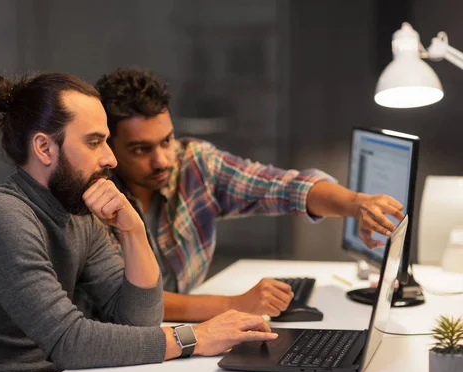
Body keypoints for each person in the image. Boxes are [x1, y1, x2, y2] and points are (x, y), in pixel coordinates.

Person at [0, 73, 279, 372]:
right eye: (94, 142)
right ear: (44, 148)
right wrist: (195, 336)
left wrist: (133, 232)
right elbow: (70, 342)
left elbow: (138, 320)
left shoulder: (77, 212)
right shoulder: (2, 218)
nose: (110, 158)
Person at [93, 67, 405, 322]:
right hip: (129, 344)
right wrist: (235, 304)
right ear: (109, 146)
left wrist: (356, 204)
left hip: (190, 333)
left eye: (166, 140)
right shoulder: (97, 202)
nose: (161, 159)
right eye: (141, 150)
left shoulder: (194, 164)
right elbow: (130, 302)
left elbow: (283, 187)